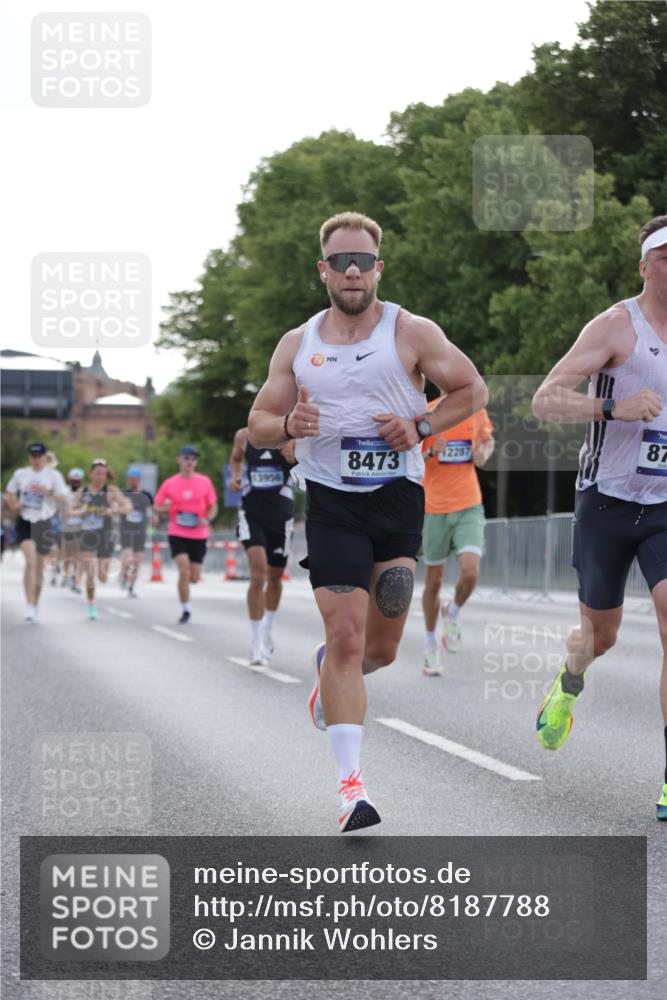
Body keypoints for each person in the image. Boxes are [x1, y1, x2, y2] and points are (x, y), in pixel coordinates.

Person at [248, 211, 488, 832]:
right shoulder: (298, 345)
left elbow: (472, 390)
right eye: (340, 261)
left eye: (363, 261)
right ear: (322, 270)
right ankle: (353, 790)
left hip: (397, 502)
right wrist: (287, 429)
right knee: (352, 639)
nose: (352, 272)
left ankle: (330, 669)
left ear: (378, 268)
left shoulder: (410, 332)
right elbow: (260, 424)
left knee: (378, 649)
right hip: (331, 502)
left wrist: (421, 426)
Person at [532, 214, 667, 821]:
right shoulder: (618, 325)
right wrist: (614, 406)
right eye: (665, 257)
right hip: (607, 502)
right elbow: (545, 398)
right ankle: (569, 681)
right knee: (600, 634)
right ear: (644, 265)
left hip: (666, 506)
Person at [420, 400, 494, 675]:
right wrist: (430, 453)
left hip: (469, 504)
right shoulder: (426, 412)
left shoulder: (473, 408)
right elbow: (408, 457)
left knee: (470, 573)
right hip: (434, 507)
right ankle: (430, 645)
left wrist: (483, 453)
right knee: (433, 582)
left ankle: (452, 611)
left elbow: (488, 440)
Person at [229, 428, 296, 664]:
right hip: (252, 512)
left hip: (281, 515)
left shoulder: (292, 434)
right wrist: (236, 477)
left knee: (275, 578)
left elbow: (308, 465)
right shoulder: (244, 436)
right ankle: (255, 641)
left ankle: (267, 628)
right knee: (258, 576)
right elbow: (236, 458)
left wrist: (296, 457)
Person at [153, 446, 218, 623]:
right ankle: (185, 608)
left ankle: (188, 589)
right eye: (186, 458)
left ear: (196, 462)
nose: (190, 461)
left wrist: (207, 519)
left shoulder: (205, 481)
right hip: (177, 531)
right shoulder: (170, 483)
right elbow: (157, 505)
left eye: (193, 459)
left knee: (194, 578)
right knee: (184, 570)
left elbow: (213, 506)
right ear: (179, 460)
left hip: (199, 533)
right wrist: (170, 506)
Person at [4, 442, 68, 621]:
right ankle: (29, 604)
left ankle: (35, 602)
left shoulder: (53, 475)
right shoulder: (21, 474)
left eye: (39, 456)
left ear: (45, 457)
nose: (36, 459)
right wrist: (14, 505)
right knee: (30, 562)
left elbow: (63, 497)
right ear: (29, 457)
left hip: (44, 523)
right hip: (25, 521)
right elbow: (10, 491)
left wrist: (47, 492)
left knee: (39, 568)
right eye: (33, 456)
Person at [70, 459, 132, 620]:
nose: (100, 477)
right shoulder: (82, 491)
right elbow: (70, 510)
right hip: (87, 534)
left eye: (103, 474)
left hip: (105, 534)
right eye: (97, 473)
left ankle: (102, 577)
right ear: (90, 474)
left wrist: (116, 509)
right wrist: (80, 512)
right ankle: (91, 604)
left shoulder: (111, 490)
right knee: (89, 571)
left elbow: (127, 506)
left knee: (102, 577)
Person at [119, 465, 153, 597]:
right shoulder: (124, 494)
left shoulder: (146, 494)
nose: (133, 481)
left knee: (138, 560)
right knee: (128, 557)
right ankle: (124, 573)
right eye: (130, 478)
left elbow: (154, 508)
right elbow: (117, 507)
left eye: (135, 478)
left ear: (139, 479)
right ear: (128, 479)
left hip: (140, 530)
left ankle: (131, 587)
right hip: (126, 529)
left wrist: (155, 517)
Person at [61, 468, 85, 592]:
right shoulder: (64, 492)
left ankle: (76, 578)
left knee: (78, 554)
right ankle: (66, 574)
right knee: (67, 553)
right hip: (67, 526)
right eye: (73, 481)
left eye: (78, 481)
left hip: (80, 527)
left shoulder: (84, 493)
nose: (75, 483)